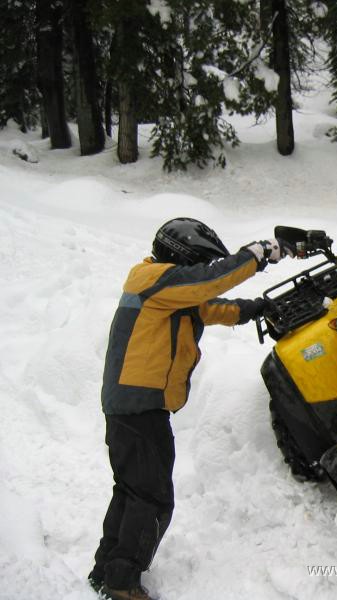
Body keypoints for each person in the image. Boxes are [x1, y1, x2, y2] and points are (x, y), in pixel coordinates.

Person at [88, 218, 295, 600]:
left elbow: (210, 307)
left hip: (133, 404)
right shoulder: (154, 279)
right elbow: (209, 283)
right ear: (182, 256)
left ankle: (107, 568)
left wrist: (256, 308)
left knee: (131, 489)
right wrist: (261, 253)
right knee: (151, 496)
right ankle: (121, 581)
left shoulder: (163, 289)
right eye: (196, 265)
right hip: (139, 404)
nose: (196, 273)